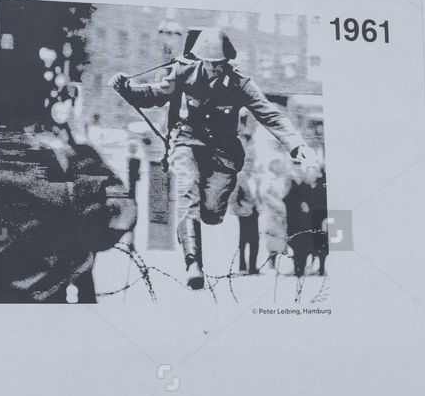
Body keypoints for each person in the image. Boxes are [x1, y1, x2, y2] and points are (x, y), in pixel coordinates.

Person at [112, 27, 308, 290]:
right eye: (209, 63)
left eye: (219, 64)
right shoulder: (184, 72)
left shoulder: (240, 82)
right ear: (200, 59)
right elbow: (154, 95)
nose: (213, 69)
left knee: (212, 213)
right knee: (186, 192)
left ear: (226, 61)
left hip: (223, 154)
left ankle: (208, 216)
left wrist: (295, 143)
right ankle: (193, 264)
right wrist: (126, 87)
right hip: (187, 142)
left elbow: (269, 114)